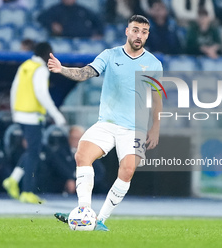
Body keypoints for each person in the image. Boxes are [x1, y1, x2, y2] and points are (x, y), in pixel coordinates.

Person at [49, 15, 162, 231]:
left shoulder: (154, 64)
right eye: (136, 30)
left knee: (127, 170)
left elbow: (157, 99)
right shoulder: (110, 56)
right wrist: (62, 69)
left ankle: (100, 219)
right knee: (82, 154)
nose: (139, 35)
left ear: (147, 35)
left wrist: (155, 128)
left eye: (144, 32)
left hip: (135, 128)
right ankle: (83, 211)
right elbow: (86, 73)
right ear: (127, 31)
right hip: (107, 123)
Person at [2, 42, 66, 204]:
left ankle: (13, 179)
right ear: (46, 53)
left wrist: (15, 112)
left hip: (21, 115)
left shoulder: (26, 66)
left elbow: (14, 89)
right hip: (32, 116)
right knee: (33, 154)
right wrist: (56, 115)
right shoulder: (41, 69)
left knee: (32, 151)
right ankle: (27, 191)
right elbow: (41, 94)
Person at [37, 0, 103, 38]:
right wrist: (52, 24)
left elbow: (98, 20)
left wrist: (98, 33)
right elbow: (41, 18)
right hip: (62, 38)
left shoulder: (82, 10)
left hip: (84, 38)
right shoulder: (56, 9)